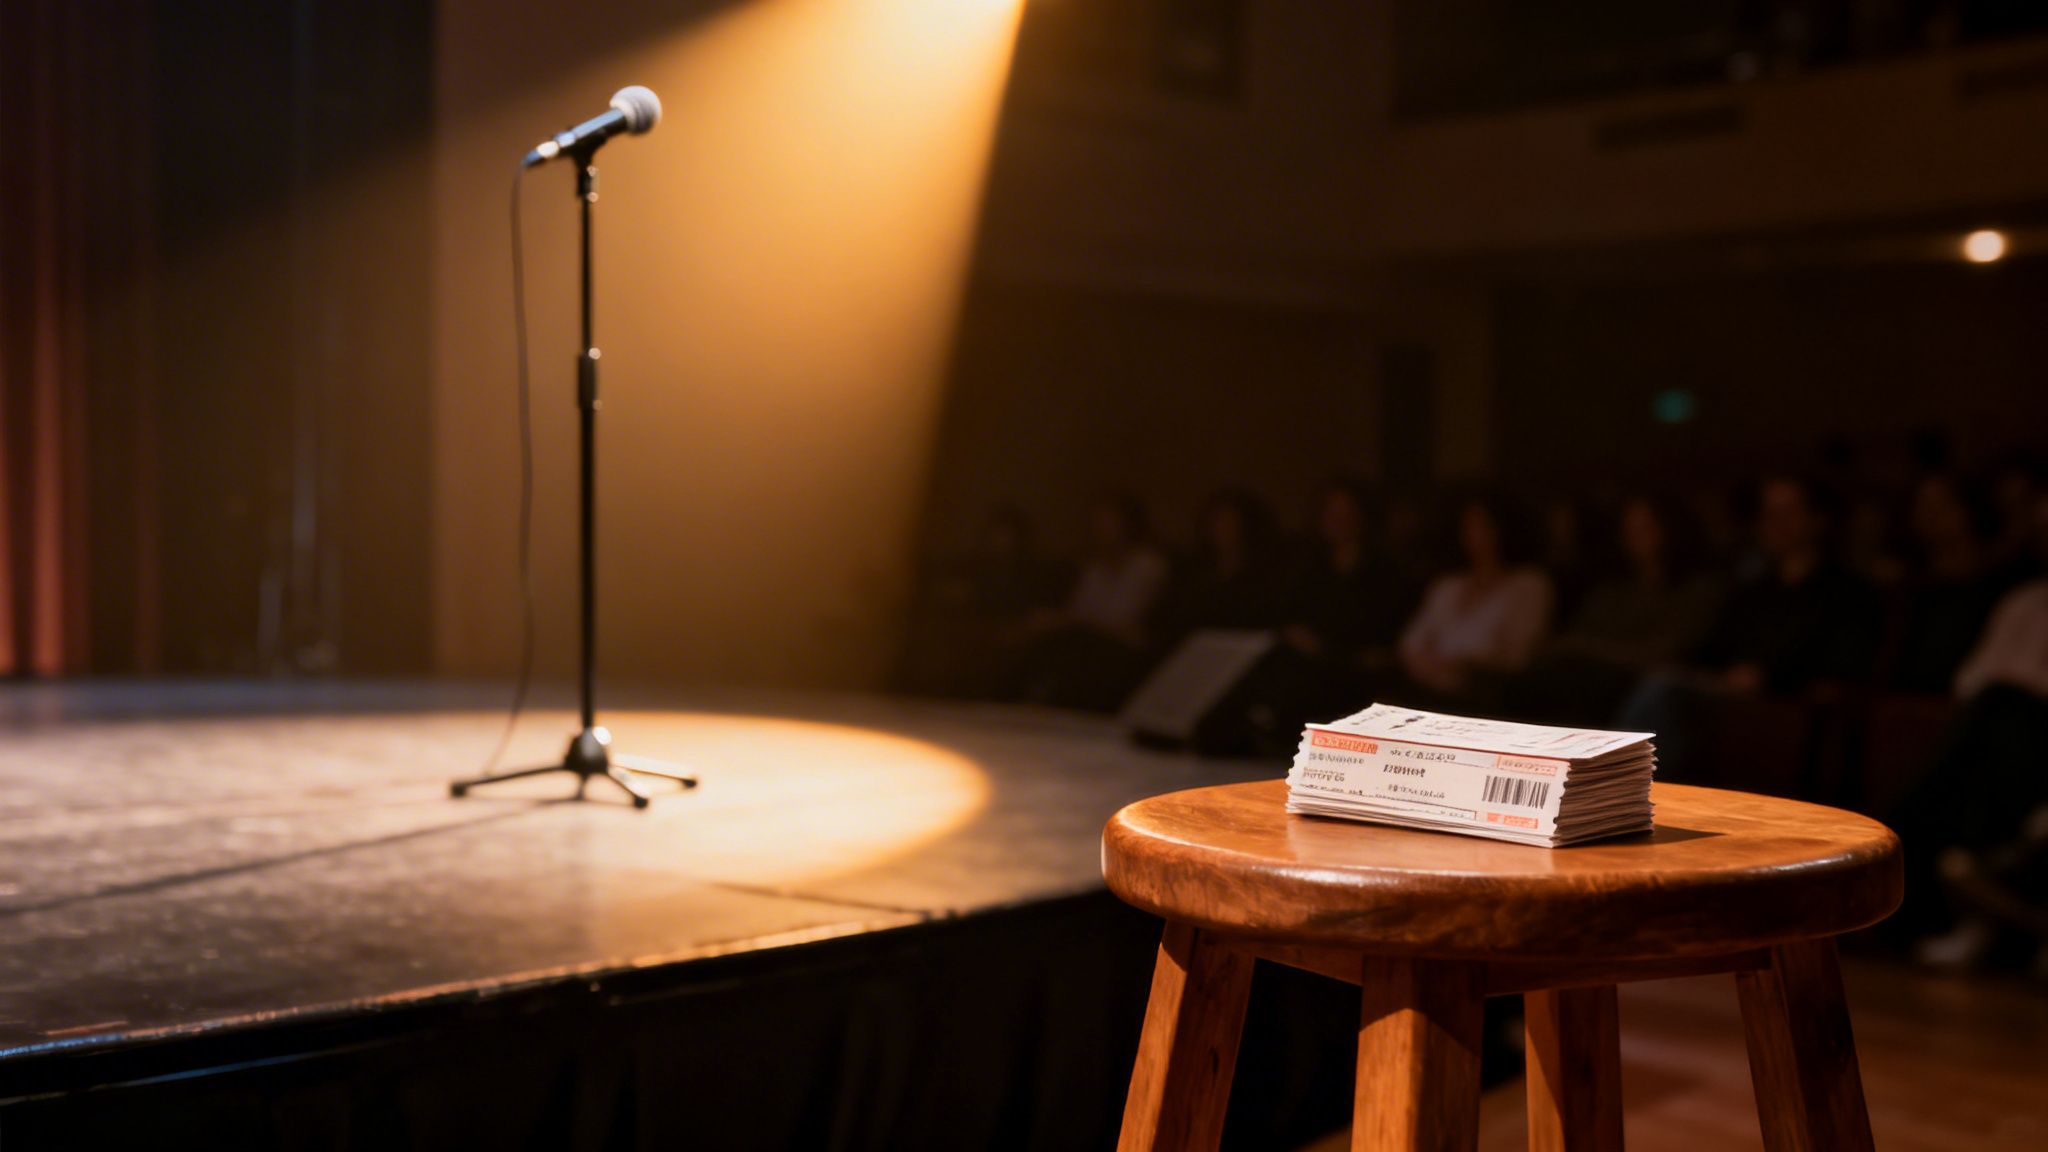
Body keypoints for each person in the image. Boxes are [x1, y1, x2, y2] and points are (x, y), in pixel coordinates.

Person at [1509, 494, 1722, 725]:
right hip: (1586, 683)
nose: (1636, 538)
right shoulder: (1612, 590)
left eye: (1646, 528)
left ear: (1670, 529)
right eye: (1629, 530)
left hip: (1639, 688)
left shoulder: (1696, 590)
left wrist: (1587, 649)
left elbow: (1665, 650)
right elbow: (1576, 638)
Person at [1005, 494, 1169, 711]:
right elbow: (1080, 609)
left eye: (1107, 521)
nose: (1100, 528)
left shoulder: (1147, 566)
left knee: (1077, 649)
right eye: (1096, 521)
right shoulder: (1095, 568)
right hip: (1088, 639)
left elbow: (1122, 621)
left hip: (1124, 647)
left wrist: (1070, 620)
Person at [1396, 492, 1553, 708]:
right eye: (1468, 526)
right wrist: (1437, 673)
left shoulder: (1527, 586)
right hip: (1430, 700)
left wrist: (1467, 669)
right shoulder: (1447, 587)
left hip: (1492, 704)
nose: (1475, 534)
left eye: (1483, 525)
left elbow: (1517, 656)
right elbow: (1411, 645)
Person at [1151, 488, 1285, 649]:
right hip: (1195, 650)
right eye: (1217, 521)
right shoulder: (1192, 570)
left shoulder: (1267, 572)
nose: (1222, 528)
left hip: (1243, 650)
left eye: (1230, 522)